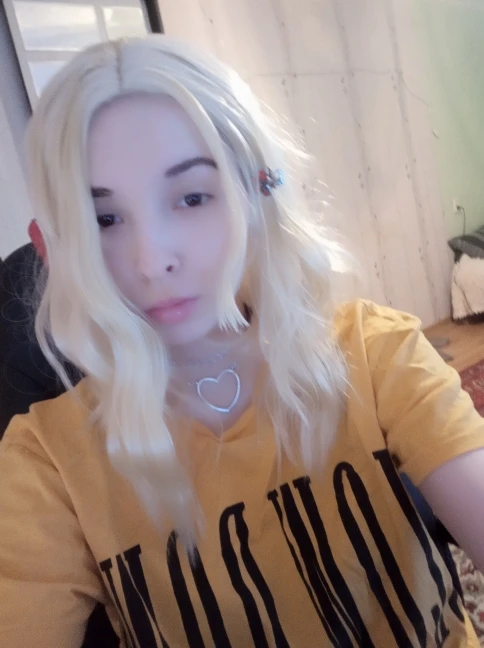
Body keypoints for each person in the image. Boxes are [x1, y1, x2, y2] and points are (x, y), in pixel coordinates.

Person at [0, 34, 483, 648]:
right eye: (103, 219)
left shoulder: (375, 354)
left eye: (192, 197)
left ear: (257, 194)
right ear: (53, 247)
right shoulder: (46, 464)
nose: (151, 261)